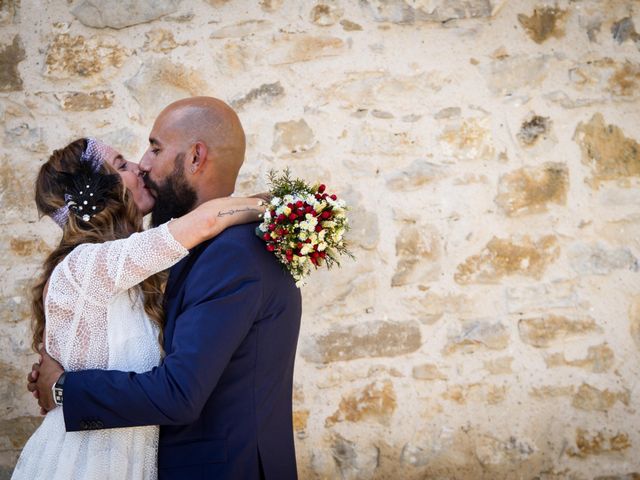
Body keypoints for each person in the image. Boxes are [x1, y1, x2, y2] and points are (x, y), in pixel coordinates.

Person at [28, 97, 303, 479]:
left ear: (195, 157)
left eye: (154, 149)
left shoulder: (225, 254)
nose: (142, 163)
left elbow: (177, 391)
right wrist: (285, 209)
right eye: (123, 164)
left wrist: (63, 388)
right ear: (95, 191)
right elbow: (204, 220)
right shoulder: (91, 264)